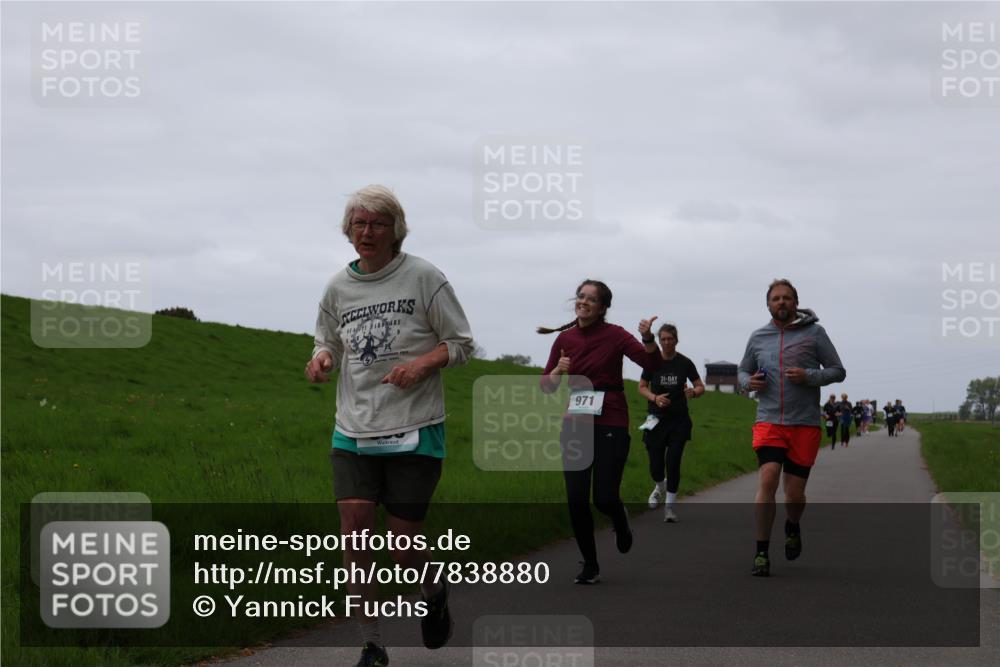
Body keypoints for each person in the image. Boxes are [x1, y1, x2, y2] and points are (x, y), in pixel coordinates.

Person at [306, 185, 475, 667]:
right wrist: (320, 357)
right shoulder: (338, 287)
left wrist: (422, 364)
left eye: (377, 224)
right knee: (355, 531)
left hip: (415, 427)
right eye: (359, 224)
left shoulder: (424, 277)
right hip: (353, 427)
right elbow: (327, 338)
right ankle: (372, 644)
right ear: (348, 231)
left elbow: (461, 343)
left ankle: (431, 588)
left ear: (395, 230)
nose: (366, 232)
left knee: (403, 546)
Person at [539, 280, 662, 584]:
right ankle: (590, 564)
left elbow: (651, 363)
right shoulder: (565, 339)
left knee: (604, 497)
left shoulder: (616, 335)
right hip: (575, 423)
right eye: (581, 296)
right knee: (576, 498)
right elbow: (547, 387)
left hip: (611, 420)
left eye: (591, 299)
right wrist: (558, 370)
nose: (584, 302)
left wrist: (647, 337)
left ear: (603, 307)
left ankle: (619, 518)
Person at [738, 279, 845, 577]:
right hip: (769, 420)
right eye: (776, 299)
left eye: (787, 298)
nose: (781, 302)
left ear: (796, 303)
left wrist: (809, 376)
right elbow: (743, 370)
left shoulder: (815, 334)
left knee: (794, 495)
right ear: (768, 304)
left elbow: (838, 371)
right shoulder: (758, 337)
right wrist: (748, 383)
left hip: (804, 423)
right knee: (768, 479)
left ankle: (793, 525)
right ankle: (761, 552)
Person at [638, 323, 706, 522]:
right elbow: (641, 387)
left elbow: (700, 386)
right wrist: (654, 398)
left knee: (673, 462)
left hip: (679, 421)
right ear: (659, 341)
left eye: (670, 339)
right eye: (663, 339)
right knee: (655, 466)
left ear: (676, 340)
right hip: (656, 420)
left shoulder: (685, 363)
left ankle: (669, 508)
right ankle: (659, 486)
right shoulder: (651, 362)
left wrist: (693, 392)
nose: (667, 342)